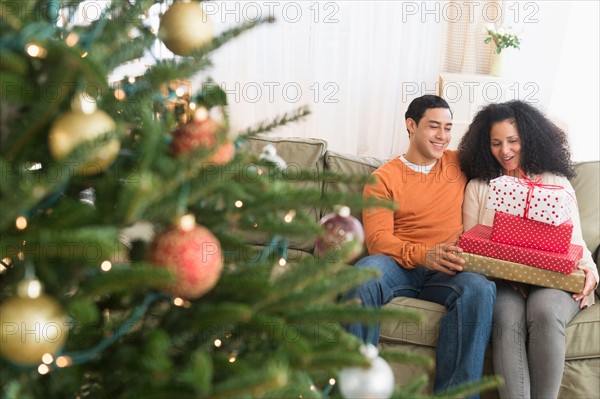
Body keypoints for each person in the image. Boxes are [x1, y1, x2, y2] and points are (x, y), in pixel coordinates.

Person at [346, 95, 496, 396]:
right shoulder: (383, 178)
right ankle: (356, 386)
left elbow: (503, 148)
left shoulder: (458, 163)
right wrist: (422, 255)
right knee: (362, 276)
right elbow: (377, 240)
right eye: (434, 127)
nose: (442, 136)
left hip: (447, 270)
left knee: (479, 288)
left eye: (448, 128)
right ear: (411, 126)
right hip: (399, 265)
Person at [458, 100, 598, 399]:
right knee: (506, 317)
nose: (505, 150)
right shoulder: (479, 187)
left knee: (545, 310)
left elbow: (577, 244)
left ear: (529, 140)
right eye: (496, 143)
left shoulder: (556, 182)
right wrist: (506, 274)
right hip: (503, 279)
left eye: (513, 141)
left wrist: (591, 273)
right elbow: (471, 248)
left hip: (555, 280)